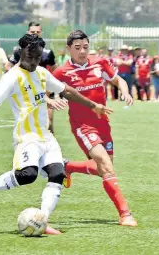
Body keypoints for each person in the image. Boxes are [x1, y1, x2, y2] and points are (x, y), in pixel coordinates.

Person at [0, 34, 113, 235]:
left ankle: (42, 219)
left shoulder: (42, 73)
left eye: (37, 57)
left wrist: (94, 106)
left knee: (57, 174)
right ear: (20, 53)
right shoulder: (12, 77)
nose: (33, 62)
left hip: (46, 136)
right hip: (26, 136)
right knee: (28, 175)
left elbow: (66, 90)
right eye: (29, 57)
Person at [51, 30, 137, 227]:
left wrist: (124, 92)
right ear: (68, 49)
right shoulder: (61, 73)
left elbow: (119, 80)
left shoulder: (100, 63)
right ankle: (125, 214)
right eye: (77, 48)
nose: (82, 52)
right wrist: (49, 101)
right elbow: (42, 91)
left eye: (86, 47)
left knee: (103, 169)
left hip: (103, 124)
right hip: (83, 126)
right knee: (106, 164)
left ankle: (67, 166)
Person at [6, 22, 57, 133]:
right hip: (27, 92)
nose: (35, 34)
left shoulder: (48, 53)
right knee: (28, 121)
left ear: (41, 33)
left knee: (49, 122)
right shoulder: (19, 51)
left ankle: (50, 146)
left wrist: (50, 88)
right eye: (32, 32)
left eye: (38, 32)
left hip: (45, 90)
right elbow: (8, 67)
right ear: (27, 33)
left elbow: (55, 71)